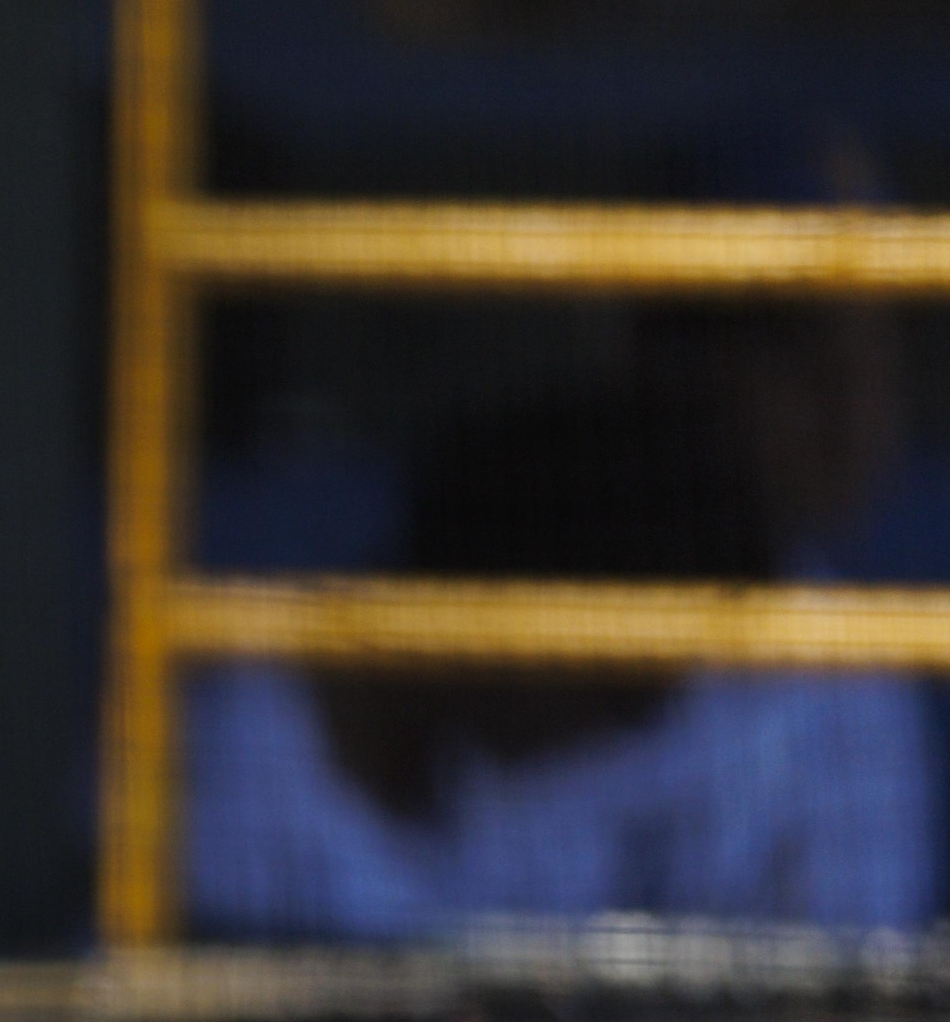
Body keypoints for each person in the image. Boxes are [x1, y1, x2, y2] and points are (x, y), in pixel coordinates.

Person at [190, 367, 931, 937]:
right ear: (501, 632)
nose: (608, 747)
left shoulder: (483, 786)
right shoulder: (229, 762)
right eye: (615, 702)